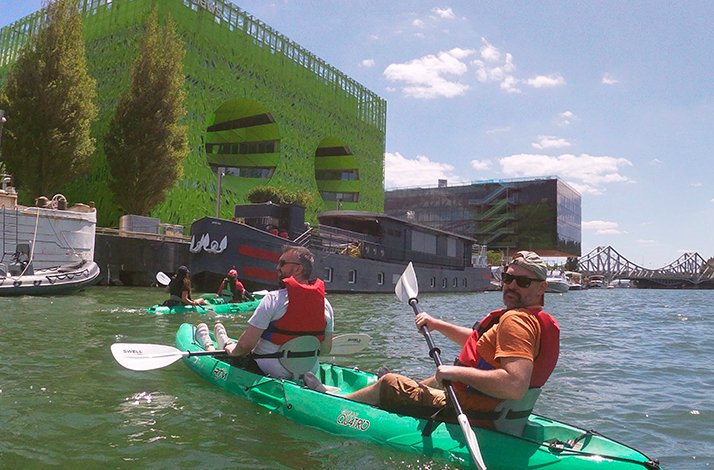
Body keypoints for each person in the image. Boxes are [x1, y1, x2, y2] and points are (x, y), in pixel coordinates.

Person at [303, 250, 560, 432]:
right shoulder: (534, 319)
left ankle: (337, 402)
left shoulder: (516, 322)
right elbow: (478, 342)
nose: (512, 285)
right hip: (500, 411)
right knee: (438, 376)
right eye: (508, 278)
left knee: (391, 384)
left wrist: (456, 371)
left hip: (477, 412)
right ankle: (401, 387)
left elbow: (514, 385)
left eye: (523, 281)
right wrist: (436, 324)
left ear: (541, 288)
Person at [195, 246, 334, 380]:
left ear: (298, 269)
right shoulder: (326, 305)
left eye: (282, 263)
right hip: (308, 371)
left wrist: (233, 351)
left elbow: (245, 346)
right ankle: (223, 339)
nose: (277, 267)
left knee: (234, 351)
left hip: (267, 370)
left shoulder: (273, 299)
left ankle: (214, 345)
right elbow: (326, 348)